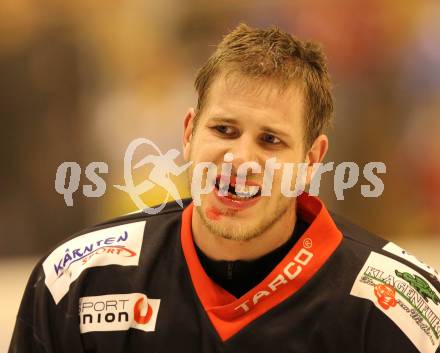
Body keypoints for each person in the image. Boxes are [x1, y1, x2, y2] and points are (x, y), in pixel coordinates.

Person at [9, 23, 440, 353]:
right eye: (224, 129)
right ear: (189, 133)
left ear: (310, 162)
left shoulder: (399, 308)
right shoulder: (78, 282)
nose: (239, 160)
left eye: (270, 140)